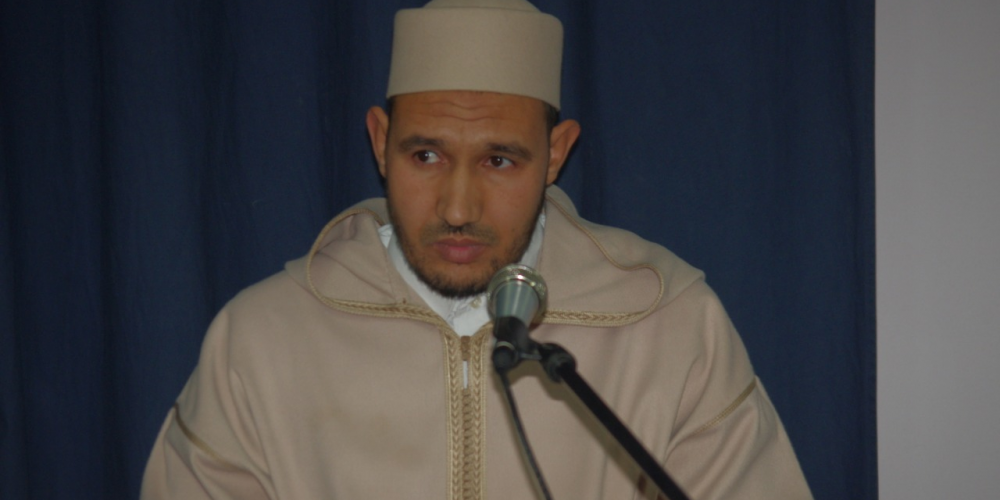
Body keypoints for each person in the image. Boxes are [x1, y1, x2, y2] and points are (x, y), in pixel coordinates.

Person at [140, 0, 813, 498]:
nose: (458, 209)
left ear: (556, 154)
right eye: (426, 156)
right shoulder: (262, 341)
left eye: (499, 161)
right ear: (380, 143)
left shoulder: (668, 326)